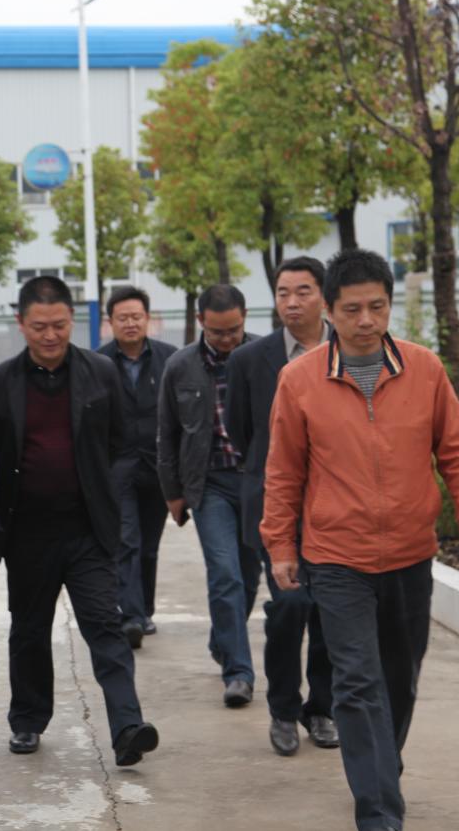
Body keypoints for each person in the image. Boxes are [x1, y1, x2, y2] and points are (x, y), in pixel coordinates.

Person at [262, 249, 459, 831]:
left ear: (389, 306)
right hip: (337, 557)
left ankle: (381, 765)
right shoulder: (299, 380)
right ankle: (379, 810)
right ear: (330, 311)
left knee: (399, 679)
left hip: (411, 554)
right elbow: (284, 472)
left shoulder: (425, 370)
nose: (366, 320)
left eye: (377, 307)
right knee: (357, 682)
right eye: (352, 310)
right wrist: (281, 546)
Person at [0, 276, 159, 765]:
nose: (50, 335)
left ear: (72, 321)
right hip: (27, 532)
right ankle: (27, 720)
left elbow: (121, 444)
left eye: (59, 325)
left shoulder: (100, 372)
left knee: (105, 626)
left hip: (87, 530)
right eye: (39, 326)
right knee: (29, 630)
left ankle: (127, 727)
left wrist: (106, 492)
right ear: (21, 324)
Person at [224, 257, 338, 757]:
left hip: (339, 506)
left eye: (303, 292)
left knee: (331, 612)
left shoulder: (351, 350)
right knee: (289, 607)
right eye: (282, 293)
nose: (291, 303)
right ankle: (284, 710)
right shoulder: (250, 360)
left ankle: (322, 708)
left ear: (324, 296)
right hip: (277, 505)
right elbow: (244, 433)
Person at [157, 284, 261, 708]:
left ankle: (223, 639)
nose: (227, 339)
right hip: (209, 484)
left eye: (234, 329)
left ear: (244, 317)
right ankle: (238, 673)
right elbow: (167, 433)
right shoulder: (180, 366)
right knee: (225, 574)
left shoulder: (262, 357)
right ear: (201, 322)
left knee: (249, 576)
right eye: (218, 332)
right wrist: (173, 493)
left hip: (257, 482)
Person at [97, 286, 177, 648]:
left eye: (136, 317)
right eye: (122, 318)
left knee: (148, 546)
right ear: (110, 322)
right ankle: (130, 616)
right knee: (126, 540)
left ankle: (143, 610)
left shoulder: (169, 359)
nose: (130, 323)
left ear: (148, 319)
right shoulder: (98, 363)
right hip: (117, 467)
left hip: (158, 466)